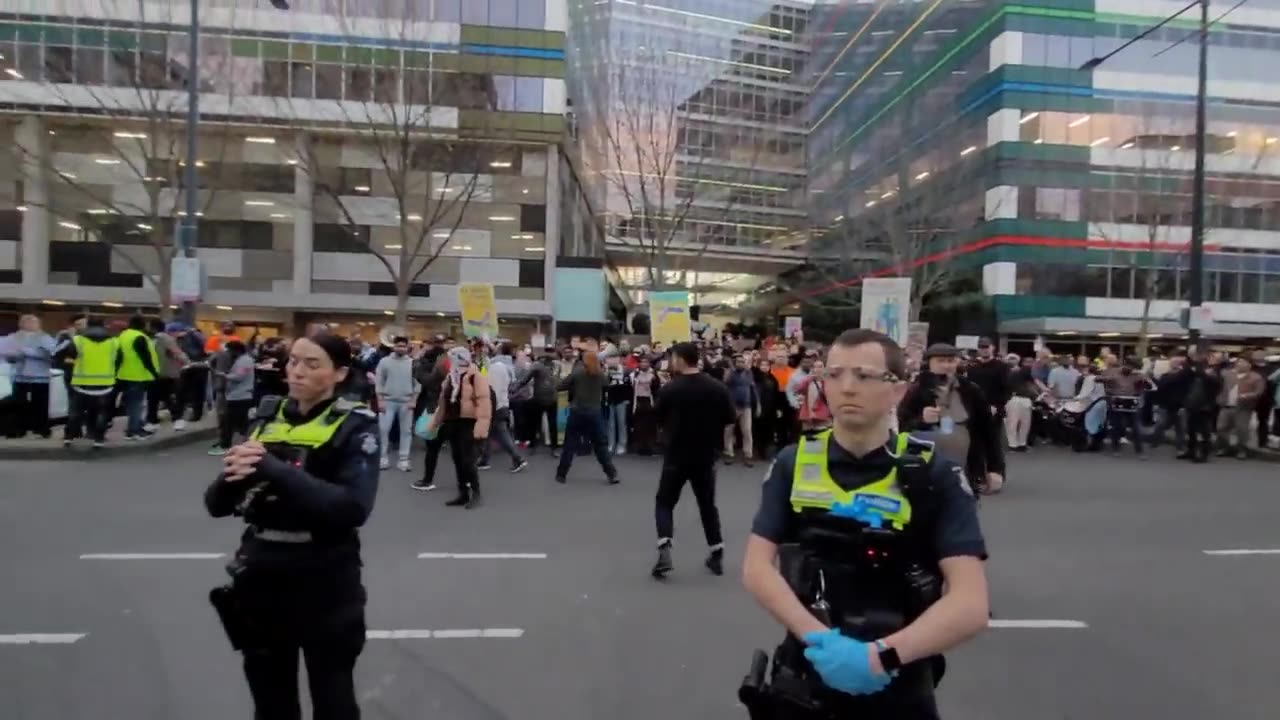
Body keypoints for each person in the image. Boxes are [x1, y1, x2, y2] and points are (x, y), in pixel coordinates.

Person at [742, 329, 989, 720]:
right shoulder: (793, 463)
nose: (847, 388)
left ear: (898, 390)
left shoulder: (934, 474)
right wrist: (820, 639)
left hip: (897, 679)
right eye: (835, 375)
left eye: (864, 375)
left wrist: (881, 657)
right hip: (807, 670)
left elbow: (971, 603)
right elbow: (757, 567)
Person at [204, 333, 379, 720]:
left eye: (312, 364)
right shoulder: (266, 417)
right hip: (261, 573)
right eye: (293, 361)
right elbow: (216, 505)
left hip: (325, 576)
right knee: (270, 697)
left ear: (339, 373)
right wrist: (233, 476)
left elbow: (351, 508)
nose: (297, 371)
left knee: (332, 696)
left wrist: (271, 467)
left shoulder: (356, 426)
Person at [651, 342, 736, 579]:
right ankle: (716, 552)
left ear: (679, 359)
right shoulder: (717, 388)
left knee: (665, 502)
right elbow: (730, 418)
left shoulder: (670, 389)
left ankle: (665, 547)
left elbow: (657, 415)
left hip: (676, 454)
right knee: (707, 505)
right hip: (706, 455)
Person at [898, 344, 1004, 495]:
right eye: (941, 361)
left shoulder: (970, 390)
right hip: (924, 466)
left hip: (965, 464)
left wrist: (996, 469)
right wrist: (921, 420)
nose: (947, 365)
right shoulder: (916, 391)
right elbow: (900, 426)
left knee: (963, 510)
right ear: (929, 363)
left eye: (951, 360)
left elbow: (988, 432)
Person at [424, 347, 491, 508]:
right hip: (452, 421)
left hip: (468, 422)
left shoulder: (475, 376)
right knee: (457, 459)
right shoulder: (451, 376)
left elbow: (484, 402)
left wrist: (481, 427)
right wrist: (435, 423)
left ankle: (476, 493)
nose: (450, 360)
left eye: (453, 357)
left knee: (468, 460)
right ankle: (463, 493)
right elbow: (443, 402)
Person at [554, 346, 619, 485]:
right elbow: (607, 386)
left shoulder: (577, 373)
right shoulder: (600, 374)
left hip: (577, 411)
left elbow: (560, 386)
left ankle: (561, 474)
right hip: (594, 412)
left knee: (570, 444)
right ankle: (611, 474)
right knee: (600, 445)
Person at [59, 318, 118, 448]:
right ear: (103, 325)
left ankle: (69, 437)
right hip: (106, 384)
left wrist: (70, 373)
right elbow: (118, 360)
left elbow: (68, 360)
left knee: (75, 412)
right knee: (102, 413)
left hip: (81, 384)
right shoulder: (114, 342)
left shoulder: (78, 340)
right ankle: (98, 439)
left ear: (88, 326)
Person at [476, 342, 528, 473]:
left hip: (495, 405)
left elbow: (494, 388)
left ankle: (518, 458)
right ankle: (484, 460)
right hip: (500, 404)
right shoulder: (506, 365)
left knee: (501, 434)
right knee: (489, 433)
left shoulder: (497, 367)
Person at [3, 314, 56, 438]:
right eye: (26, 322)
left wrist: (28, 352)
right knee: (17, 404)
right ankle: (18, 429)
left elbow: (51, 353)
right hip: (20, 375)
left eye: (33, 322)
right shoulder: (14, 337)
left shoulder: (44, 337)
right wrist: (12, 356)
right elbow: (7, 353)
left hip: (40, 376)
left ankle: (42, 428)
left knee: (40, 404)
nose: (30, 325)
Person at [374, 335, 419, 472]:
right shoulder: (384, 362)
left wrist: (413, 400)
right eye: (398, 345)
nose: (401, 348)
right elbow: (379, 381)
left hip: (406, 401)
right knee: (383, 429)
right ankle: (382, 458)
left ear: (407, 347)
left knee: (406, 431)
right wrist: (380, 400)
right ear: (393, 347)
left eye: (403, 346)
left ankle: (403, 460)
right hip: (388, 400)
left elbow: (417, 383)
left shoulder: (413, 363)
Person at [116, 314, 160, 441]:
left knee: (131, 404)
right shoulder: (139, 337)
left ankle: (136, 427)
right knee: (137, 404)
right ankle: (133, 431)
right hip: (138, 375)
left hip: (124, 374)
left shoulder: (123, 336)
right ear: (142, 325)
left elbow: (119, 356)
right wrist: (154, 373)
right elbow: (145, 358)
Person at [211, 341, 255, 456]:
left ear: (236, 350)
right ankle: (241, 444)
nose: (229, 353)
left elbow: (239, 377)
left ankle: (226, 445)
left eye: (230, 350)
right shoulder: (242, 360)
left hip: (240, 396)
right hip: (236, 396)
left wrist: (223, 375)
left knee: (231, 422)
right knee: (239, 423)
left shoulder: (245, 361)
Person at [413, 355, 449, 492]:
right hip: (455, 417)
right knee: (460, 452)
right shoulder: (459, 379)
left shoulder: (434, 379)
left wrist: (421, 361)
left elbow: (420, 376)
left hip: (435, 414)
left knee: (432, 450)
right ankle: (467, 480)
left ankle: (427, 480)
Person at [147, 320, 187, 430]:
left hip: (162, 373)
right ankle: (154, 420)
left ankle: (173, 419)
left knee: (160, 397)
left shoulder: (161, 339)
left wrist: (186, 363)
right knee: (161, 397)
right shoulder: (160, 339)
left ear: (153, 328)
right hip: (164, 372)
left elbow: (177, 353)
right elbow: (177, 353)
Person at [723, 354, 758, 466]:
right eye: (738, 362)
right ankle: (729, 453)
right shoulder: (730, 373)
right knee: (729, 430)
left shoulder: (749, 373)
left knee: (747, 431)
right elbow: (725, 381)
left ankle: (748, 455)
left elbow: (753, 388)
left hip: (746, 406)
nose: (741, 363)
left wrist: (758, 404)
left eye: (742, 362)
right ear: (735, 363)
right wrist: (730, 369)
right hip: (732, 406)